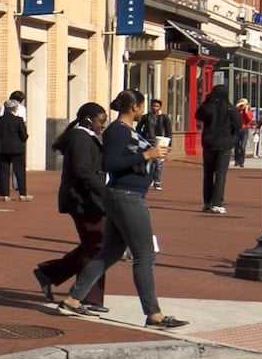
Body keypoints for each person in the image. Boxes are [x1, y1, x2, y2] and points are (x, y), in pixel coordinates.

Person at [63, 91, 186, 330]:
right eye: (141, 105)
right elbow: (109, 163)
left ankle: (73, 298)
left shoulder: (130, 131)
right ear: (134, 106)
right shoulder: (118, 131)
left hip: (128, 195)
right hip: (126, 196)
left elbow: (129, 158)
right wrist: (146, 154)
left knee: (109, 252)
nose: (143, 109)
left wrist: (152, 155)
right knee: (145, 255)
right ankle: (154, 314)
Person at [34, 100, 111, 308]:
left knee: (94, 245)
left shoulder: (88, 136)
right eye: (100, 120)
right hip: (82, 201)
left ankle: (50, 273)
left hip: (89, 199)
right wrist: (104, 191)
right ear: (88, 120)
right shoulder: (80, 137)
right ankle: (87, 296)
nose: (103, 124)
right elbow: (83, 171)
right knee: (99, 245)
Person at [196, 80, 239, 214]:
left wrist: (207, 100)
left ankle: (207, 202)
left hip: (209, 142)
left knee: (208, 173)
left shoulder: (208, 106)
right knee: (221, 174)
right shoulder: (230, 108)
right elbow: (238, 125)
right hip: (225, 144)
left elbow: (198, 115)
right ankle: (217, 202)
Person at [0, 94, 30, 202]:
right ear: (15, 109)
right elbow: (24, 135)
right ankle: (22, 194)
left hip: (2, 149)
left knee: (3, 171)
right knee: (19, 171)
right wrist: (22, 140)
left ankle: (5, 195)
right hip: (17, 149)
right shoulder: (19, 120)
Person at [142, 97, 173, 192]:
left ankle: (157, 181)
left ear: (160, 107)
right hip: (149, 140)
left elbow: (168, 130)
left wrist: (169, 143)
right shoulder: (146, 117)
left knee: (159, 162)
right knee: (149, 161)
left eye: (157, 106)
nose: (154, 107)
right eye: (153, 105)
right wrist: (141, 137)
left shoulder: (164, 117)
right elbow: (139, 127)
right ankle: (149, 178)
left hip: (161, 140)